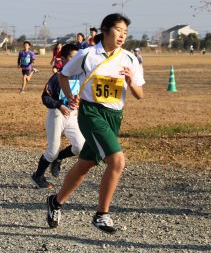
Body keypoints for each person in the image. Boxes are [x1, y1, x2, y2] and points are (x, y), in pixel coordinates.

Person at [46, 13, 144, 234]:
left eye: (126, 32)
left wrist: (130, 82)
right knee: (117, 161)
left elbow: (140, 94)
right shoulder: (87, 54)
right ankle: (102, 214)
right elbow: (63, 75)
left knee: (85, 164)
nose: (122, 35)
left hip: (114, 117)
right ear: (106, 29)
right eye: (119, 30)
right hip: (90, 113)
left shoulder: (130, 59)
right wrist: (70, 95)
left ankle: (56, 202)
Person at [31, 43, 85, 189]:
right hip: (56, 115)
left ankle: (59, 159)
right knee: (52, 151)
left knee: (80, 146)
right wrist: (59, 105)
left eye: (78, 58)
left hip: (72, 116)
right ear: (64, 60)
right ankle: (38, 176)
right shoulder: (57, 78)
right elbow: (45, 98)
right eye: (72, 58)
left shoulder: (81, 76)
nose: (76, 61)